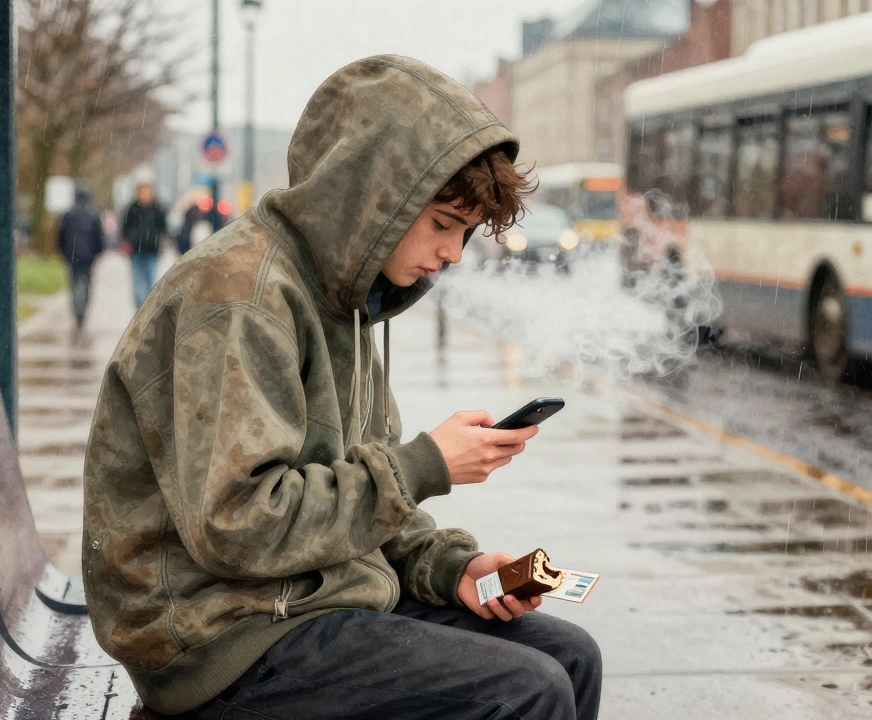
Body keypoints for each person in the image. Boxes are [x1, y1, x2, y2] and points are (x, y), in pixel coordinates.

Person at [82, 56, 602, 720]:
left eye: (466, 233)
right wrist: (423, 466)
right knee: (528, 688)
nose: (453, 254)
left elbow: (362, 496)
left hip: (308, 596)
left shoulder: (350, 303)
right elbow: (238, 526)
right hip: (217, 632)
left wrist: (450, 570)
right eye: (443, 223)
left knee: (571, 656)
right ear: (371, 200)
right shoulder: (237, 297)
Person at [56, 187, 106, 328]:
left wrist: (63, 251)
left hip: (72, 255)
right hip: (88, 256)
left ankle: (77, 308)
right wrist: (98, 252)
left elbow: (61, 235)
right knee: (86, 283)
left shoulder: (68, 213)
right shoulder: (93, 214)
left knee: (73, 283)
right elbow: (99, 236)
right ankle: (82, 308)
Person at [121, 181, 168, 309]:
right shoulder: (132, 209)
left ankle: (147, 308)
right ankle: (141, 307)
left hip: (152, 250)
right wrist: (129, 240)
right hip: (136, 251)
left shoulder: (158, 208)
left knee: (150, 281)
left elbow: (164, 228)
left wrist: (158, 240)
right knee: (137, 283)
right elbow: (124, 227)